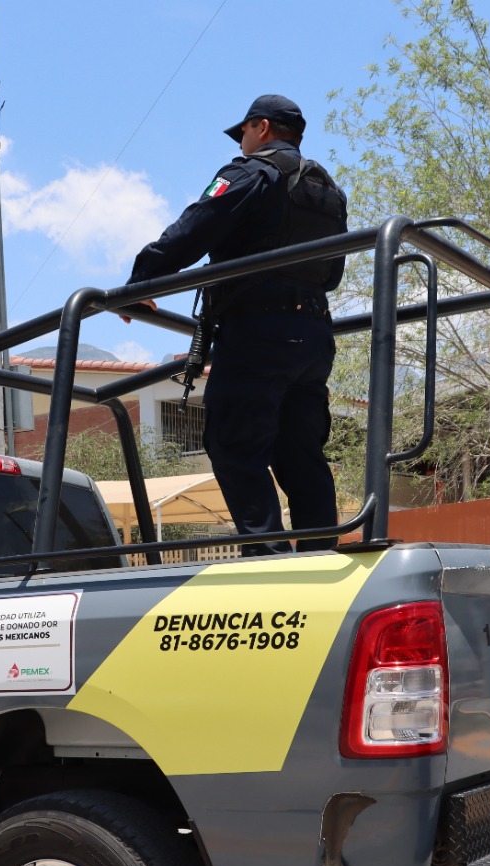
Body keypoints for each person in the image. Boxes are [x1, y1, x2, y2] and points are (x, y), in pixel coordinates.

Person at [122, 95, 347, 554]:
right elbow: (333, 275)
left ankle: (267, 560)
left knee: (234, 444)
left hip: (258, 334)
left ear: (261, 128)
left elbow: (196, 225)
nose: (241, 143)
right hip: (313, 338)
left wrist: (142, 281)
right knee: (300, 456)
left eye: (243, 132)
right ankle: (320, 559)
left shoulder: (250, 173)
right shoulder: (326, 191)